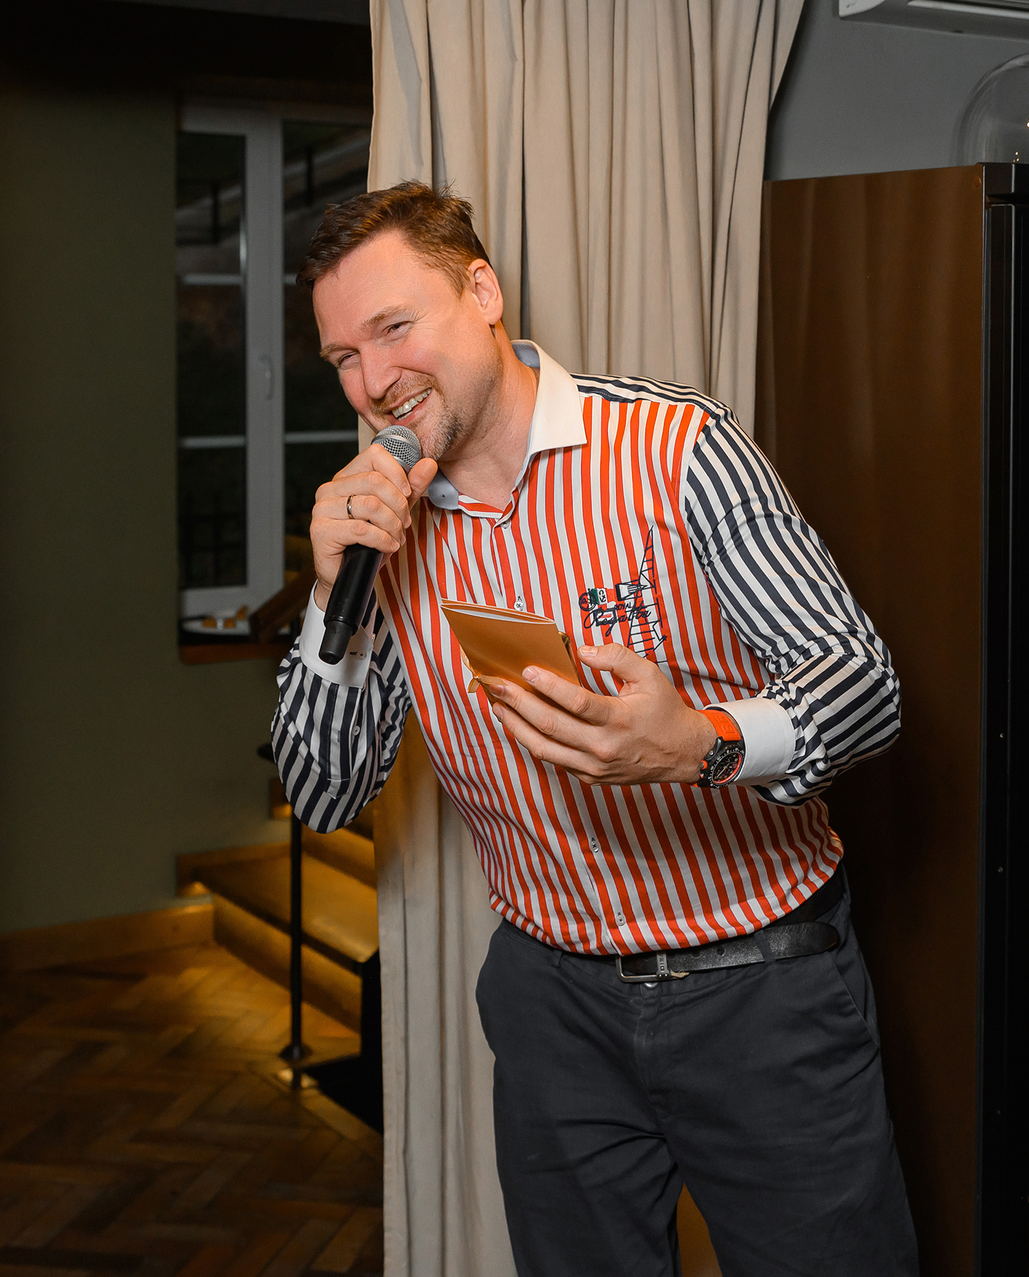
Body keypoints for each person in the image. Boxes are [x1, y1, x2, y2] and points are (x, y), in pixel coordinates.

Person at [271, 180, 916, 1276]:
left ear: (482, 291)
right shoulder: (381, 526)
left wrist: (701, 741)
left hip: (763, 985)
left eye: (394, 327)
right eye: (344, 357)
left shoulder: (677, 446)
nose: (374, 382)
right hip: (551, 1001)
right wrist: (337, 598)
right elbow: (323, 793)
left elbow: (866, 685)